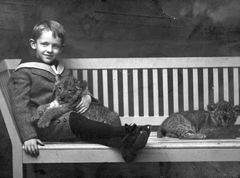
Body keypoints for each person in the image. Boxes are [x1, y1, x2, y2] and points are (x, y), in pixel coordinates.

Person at [8, 19, 151, 163]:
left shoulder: (60, 69)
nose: (49, 50)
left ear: (61, 48)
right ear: (34, 44)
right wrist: (29, 136)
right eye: (44, 44)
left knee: (84, 123)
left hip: (64, 120)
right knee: (75, 119)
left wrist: (87, 97)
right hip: (42, 124)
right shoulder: (24, 72)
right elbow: (20, 107)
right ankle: (128, 132)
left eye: (55, 46)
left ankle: (125, 146)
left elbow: (76, 87)